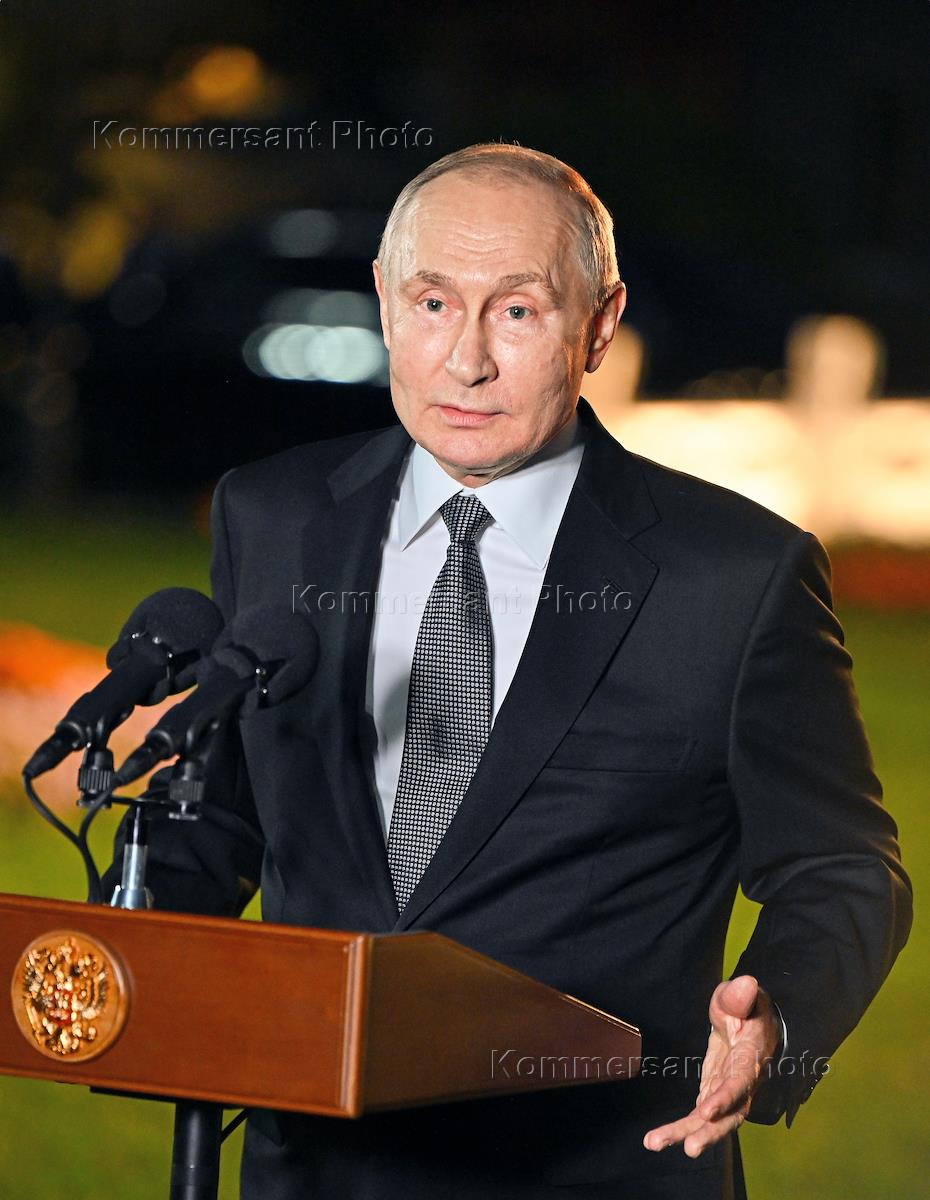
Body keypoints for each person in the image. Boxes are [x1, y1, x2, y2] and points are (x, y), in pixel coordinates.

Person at [110, 144, 911, 1199]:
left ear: (601, 324)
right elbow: (225, 819)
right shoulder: (274, 515)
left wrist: (780, 1020)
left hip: (590, 1171)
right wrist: (118, 942)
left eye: (519, 312)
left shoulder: (735, 577)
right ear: (386, 305)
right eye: (434, 303)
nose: (466, 360)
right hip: (313, 1171)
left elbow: (843, 868)